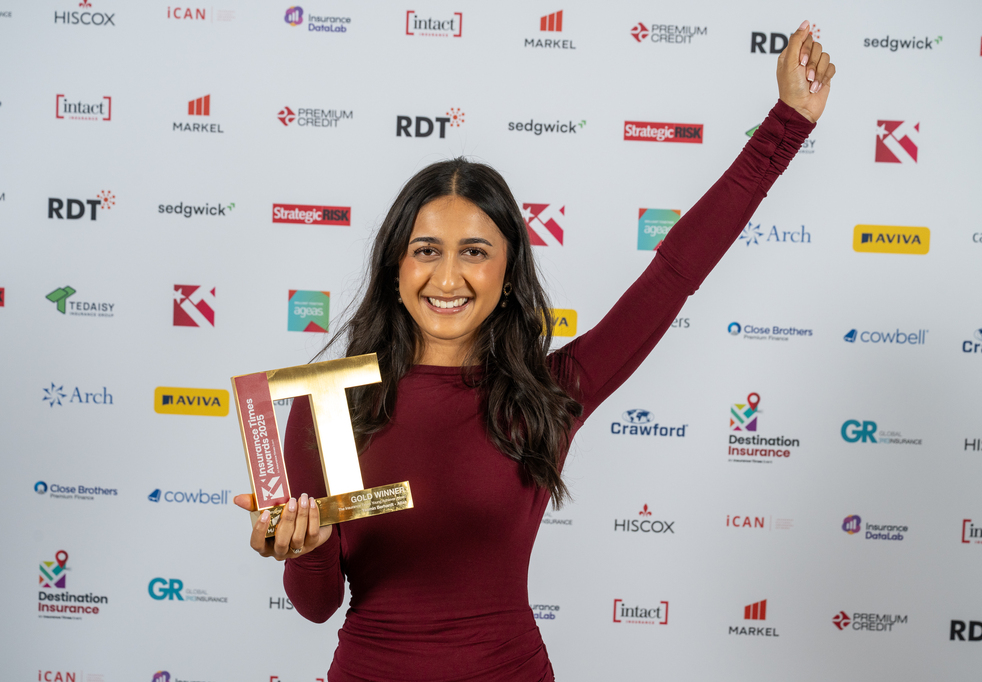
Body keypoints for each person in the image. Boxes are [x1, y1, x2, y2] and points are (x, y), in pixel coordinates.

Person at [234, 20, 835, 682]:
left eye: (475, 252)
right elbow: (316, 606)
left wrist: (786, 126)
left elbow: (674, 273)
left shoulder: (549, 393)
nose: (447, 279)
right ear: (395, 266)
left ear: (508, 271)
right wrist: (309, 547)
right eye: (426, 250)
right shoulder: (330, 402)